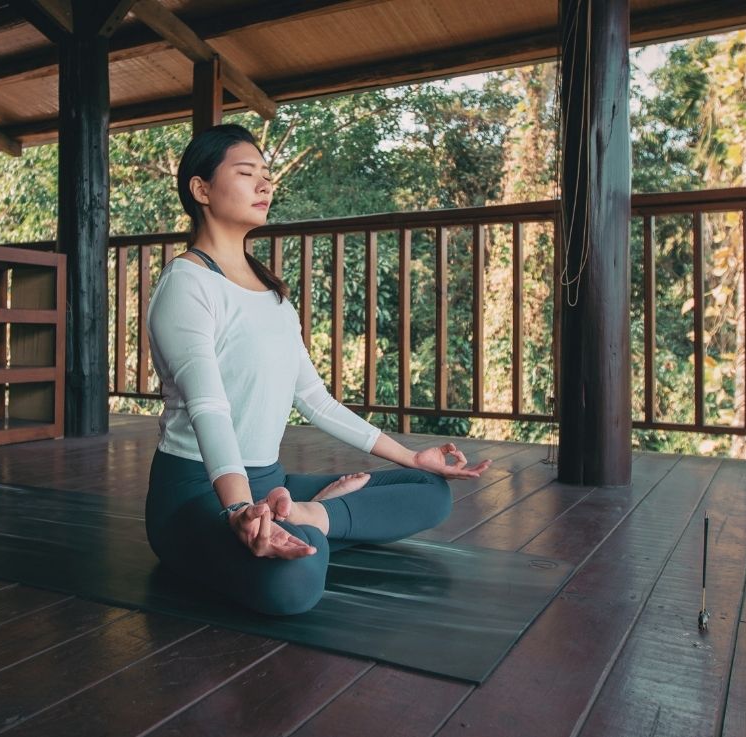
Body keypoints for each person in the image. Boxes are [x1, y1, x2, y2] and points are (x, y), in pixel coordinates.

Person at [145, 123, 491, 616]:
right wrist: (240, 509)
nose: (265, 186)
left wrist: (412, 458)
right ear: (201, 189)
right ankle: (314, 524)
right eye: (247, 174)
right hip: (199, 492)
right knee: (294, 584)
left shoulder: (273, 295)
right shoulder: (188, 283)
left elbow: (315, 400)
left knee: (430, 492)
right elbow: (208, 407)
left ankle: (312, 517)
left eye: (267, 175)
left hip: (272, 483)